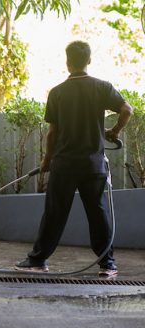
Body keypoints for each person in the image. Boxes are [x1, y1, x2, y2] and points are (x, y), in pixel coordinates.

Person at [16, 40, 133, 277]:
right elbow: (127, 110)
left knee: (54, 213)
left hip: (65, 164)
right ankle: (107, 264)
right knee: (97, 212)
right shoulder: (102, 87)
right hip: (93, 165)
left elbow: (53, 132)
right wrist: (114, 132)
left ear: (67, 62)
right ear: (88, 60)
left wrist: (46, 159)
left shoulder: (58, 92)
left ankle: (38, 261)